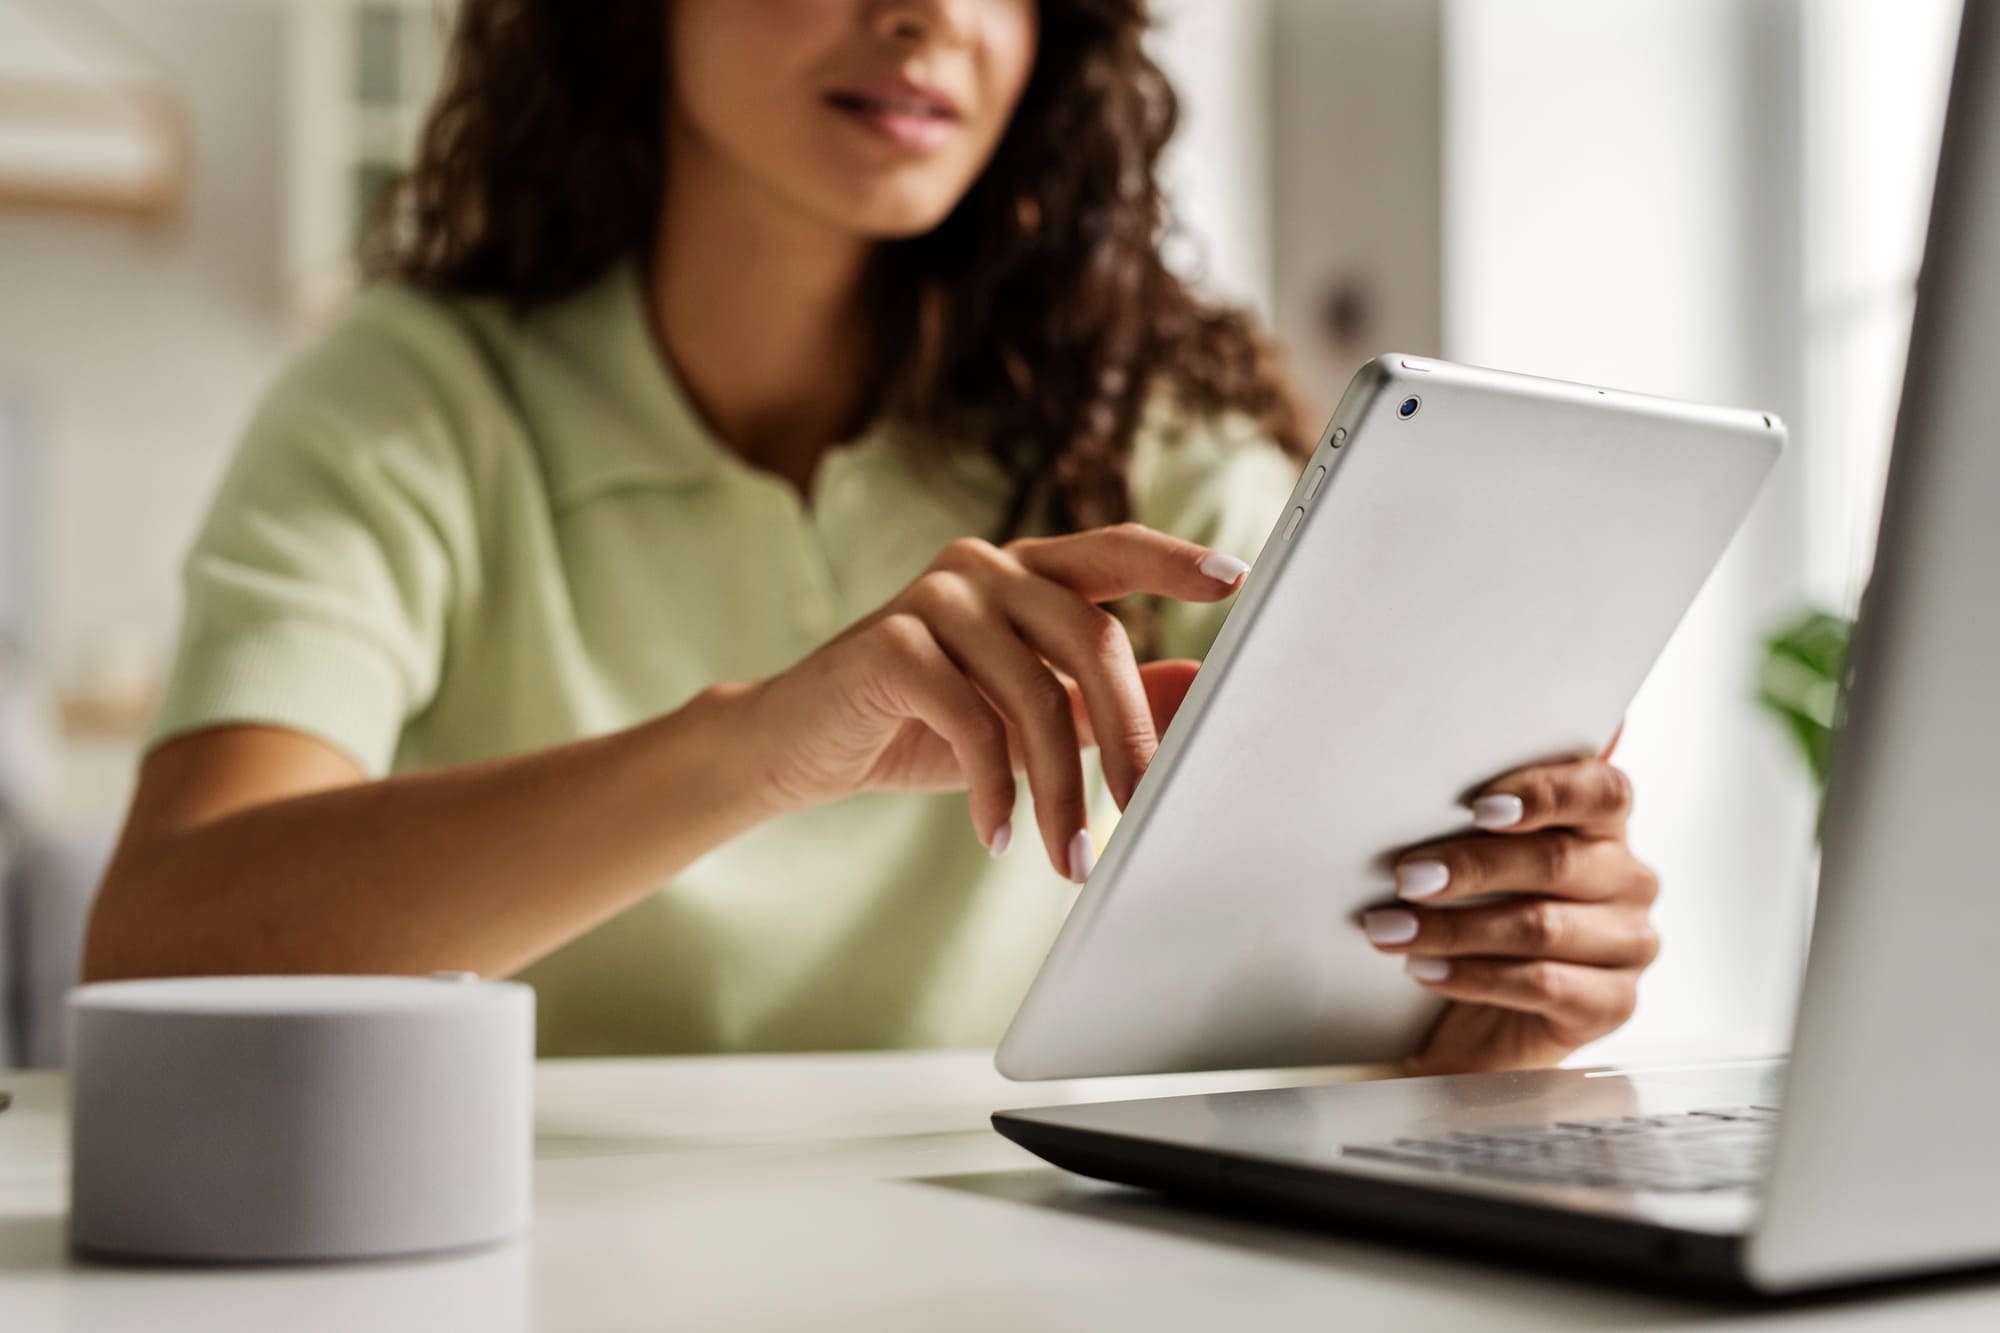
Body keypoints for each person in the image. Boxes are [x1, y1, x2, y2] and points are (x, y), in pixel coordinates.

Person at [83, 0, 1659, 1074]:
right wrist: (757, 749)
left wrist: (1486, 992)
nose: (926, 14)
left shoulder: (1158, 455)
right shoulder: (417, 398)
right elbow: (164, 946)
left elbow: (1318, 983)